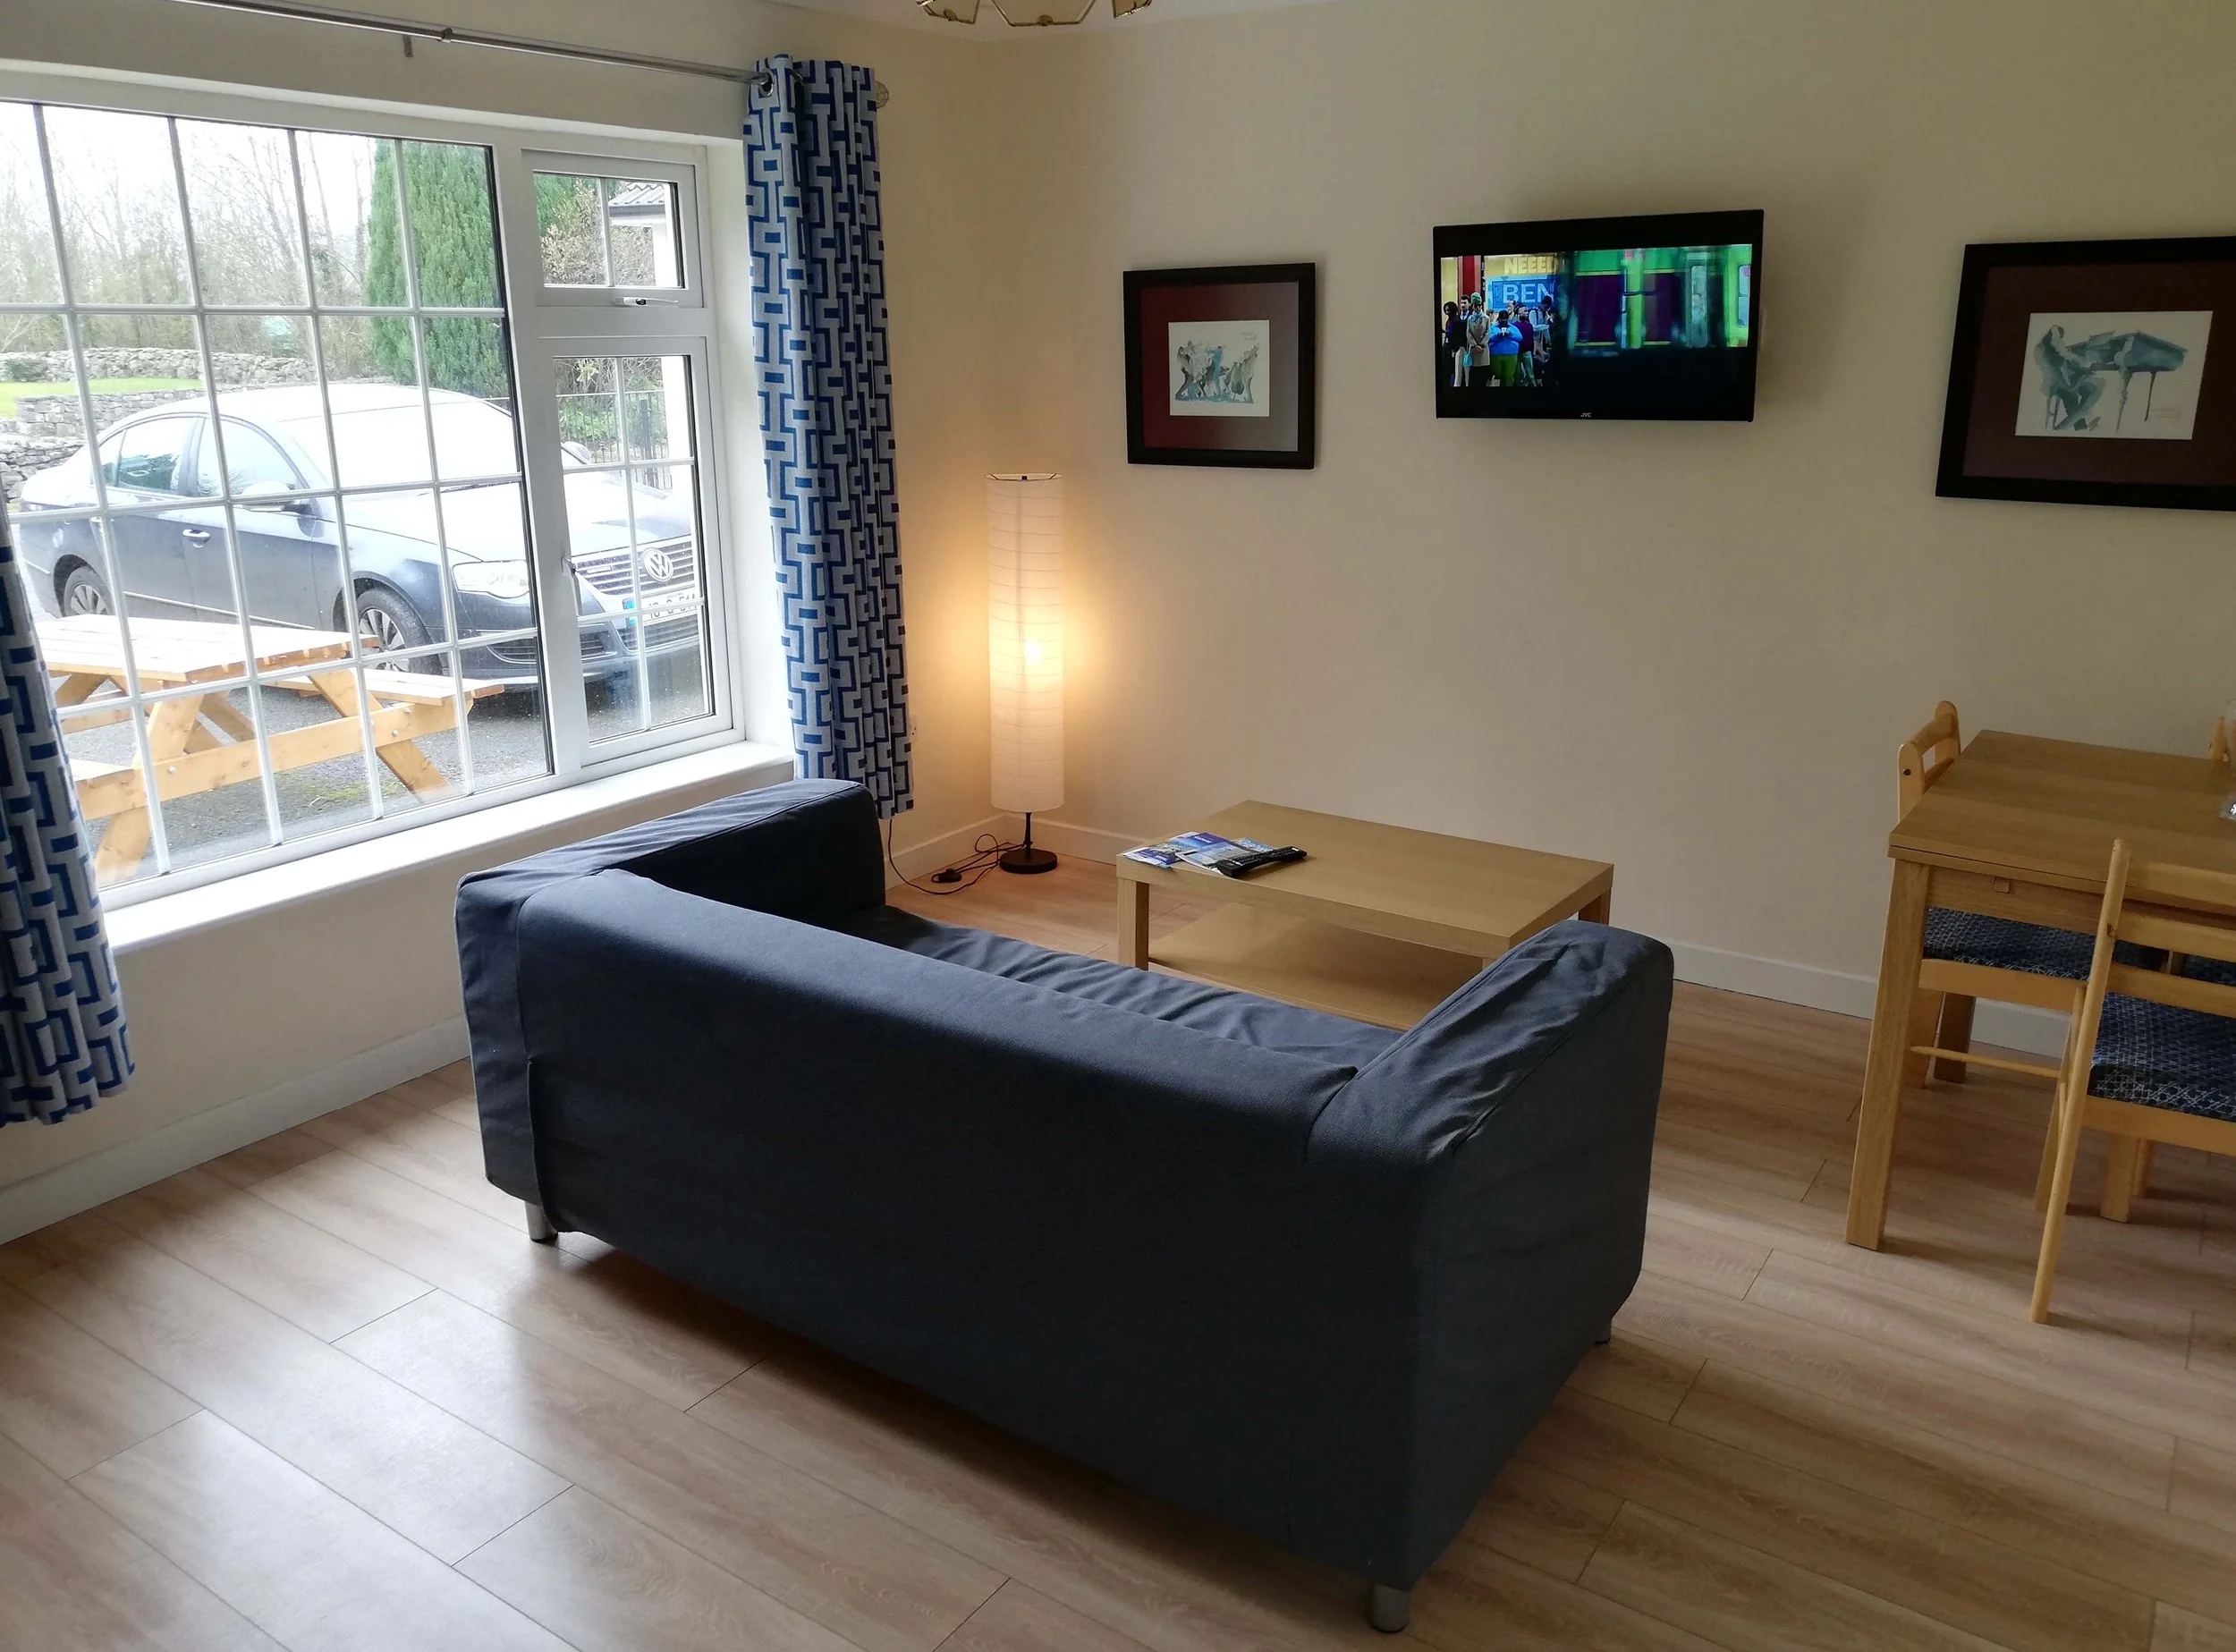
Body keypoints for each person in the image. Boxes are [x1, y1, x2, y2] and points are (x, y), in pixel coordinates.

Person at [1486, 307, 1523, 387]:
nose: (1503, 321)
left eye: (1505, 319)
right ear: (1499, 319)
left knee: (1509, 376)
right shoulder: (1493, 328)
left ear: (1508, 319)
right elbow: (1488, 338)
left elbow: (1520, 337)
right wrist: (1498, 336)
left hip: (1511, 355)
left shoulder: (1513, 328)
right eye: (1502, 319)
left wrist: (1510, 334)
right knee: (1498, 375)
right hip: (1496, 355)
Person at [1463, 295, 1492, 389]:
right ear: (1473, 306)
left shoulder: (1486, 318)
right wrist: (1474, 345)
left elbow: (1488, 333)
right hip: (1474, 350)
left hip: (1483, 351)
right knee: (1473, 377)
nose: (1478, 307)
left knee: (1482, 377)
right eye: (1476, 305)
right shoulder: (1470, 319)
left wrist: (1482, 345)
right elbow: (1468, 333)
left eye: (1479, 305)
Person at [1442, 301, 1466, 388]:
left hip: (1452, 348)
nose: (1447, 312)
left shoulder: (1456, 321)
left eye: (1448, 310)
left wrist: (1454, 349)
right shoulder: (1451, 320)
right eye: (1446, 310)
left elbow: (1456, 336)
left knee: (1451, 369)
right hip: (1448, 346)